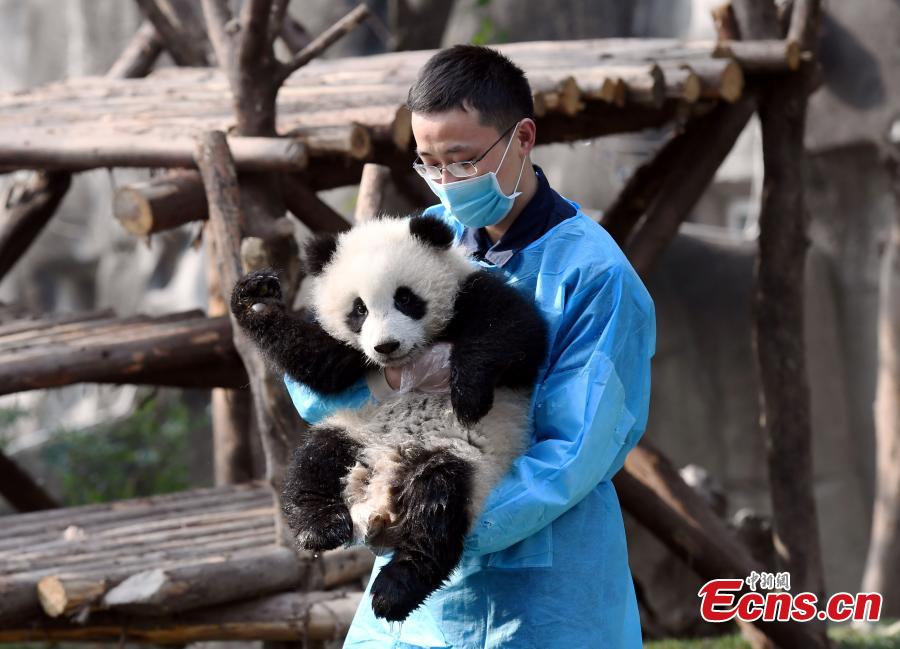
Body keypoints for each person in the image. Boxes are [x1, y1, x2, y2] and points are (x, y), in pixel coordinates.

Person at [285, 44, 656, 648]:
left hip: (541, 586)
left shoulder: (595, 275)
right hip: (415, 605)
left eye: (461, 160)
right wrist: (393, 381)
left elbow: (577, 450)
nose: (445, 182)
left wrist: (439, 522)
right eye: (429, 163)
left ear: (523, 138)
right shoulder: (415, 241)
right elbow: (314, 380)